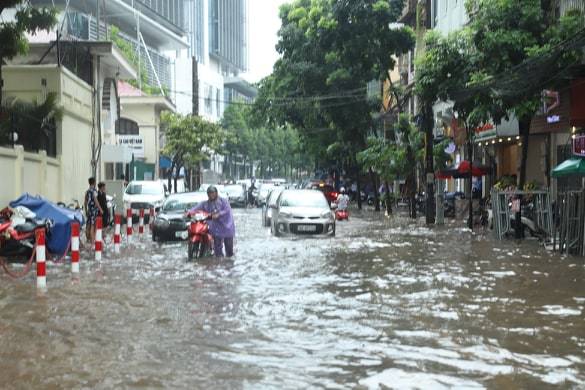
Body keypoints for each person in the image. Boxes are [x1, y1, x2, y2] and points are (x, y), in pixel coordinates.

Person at [189, 186, 235, 257]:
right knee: (218, 251)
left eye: (212, 193)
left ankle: (228, 264)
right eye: (209, 193)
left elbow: (227, 210)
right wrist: (188, 212)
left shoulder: (223, 201)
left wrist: (218, 214)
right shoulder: (205, 203)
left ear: (216, 193)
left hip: (227, 227)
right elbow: (196, 208)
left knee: (229, 252)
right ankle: (219, 264)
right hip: (216, 229)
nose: (211, 195)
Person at [84, 177, 103, 244]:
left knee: (88, 225)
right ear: (94, 182)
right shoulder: (94, 191)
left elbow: (85, 202)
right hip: (94, 211)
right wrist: (100, 209)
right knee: (93, 226)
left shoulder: (87, 191)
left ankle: (88, 240)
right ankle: (92, 242)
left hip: (89, 210)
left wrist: (86, 210)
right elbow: (96, 201)